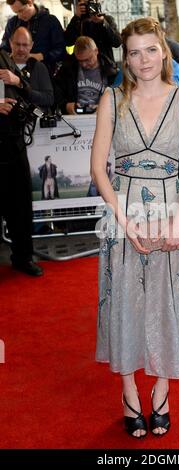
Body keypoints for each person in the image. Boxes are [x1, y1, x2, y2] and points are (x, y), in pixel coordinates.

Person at [91, 17, 179, 438]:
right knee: (124, 300)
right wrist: (122, 220)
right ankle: (128, 391)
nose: (143, 60)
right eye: (134, 52)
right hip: (123, 216)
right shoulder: (111, 100)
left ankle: (161, 389)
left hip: (170, 212)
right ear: (126, 56)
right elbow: (99, 169)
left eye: (150, 49)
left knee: (167, 303)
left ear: (163, 50)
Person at [0, 47, 43, 276]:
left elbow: (27, 91)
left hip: (14, 141)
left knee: (21, 204)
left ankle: (23, 257)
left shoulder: (4, 55)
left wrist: (18, 81)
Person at [54, 36, 117, 115]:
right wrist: (65, 106)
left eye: (88, 59)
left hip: (103, 115)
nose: (84, 64)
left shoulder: (111, 71)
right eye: (80, 61)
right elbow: (56, 96)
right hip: (73, 117)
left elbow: (119, 100)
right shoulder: (66, 70)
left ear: (96, 51)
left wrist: (106, 107)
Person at [1, 0, 65, 75]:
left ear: (30, 2)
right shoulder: (12, 23)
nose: (19, 16)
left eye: (21, 11)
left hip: (44, 75)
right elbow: (3, 49)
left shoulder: (50, 21)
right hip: (16, 74)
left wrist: (41, 56)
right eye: (16, 12)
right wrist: (10, 56)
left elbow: (61, 50)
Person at [9, 26, 54, 111]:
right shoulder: (3, 67)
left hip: (34, 121)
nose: (21, 49)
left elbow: (49, 99)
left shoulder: (39, 67)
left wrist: (25, 89)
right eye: (17, 44)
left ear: (31, 45)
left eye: (25, 45)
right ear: (10, 43)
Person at [64, 0, 121, 65]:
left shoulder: (107, 20)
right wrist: (76, 17)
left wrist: (102, 23)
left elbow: (117, 42)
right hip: (82, 65)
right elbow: (68, 42)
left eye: (91, 3)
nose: (89, 7)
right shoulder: (78, 21)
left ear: (97, 3)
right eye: (86, 4)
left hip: (105, 66)